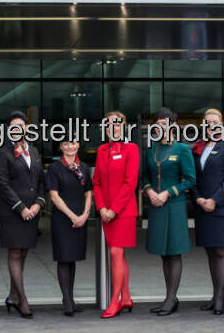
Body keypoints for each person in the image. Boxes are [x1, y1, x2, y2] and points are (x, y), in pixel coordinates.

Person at [141, 107, 196, 316]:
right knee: (163, 253)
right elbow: (144, 177)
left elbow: (190, 179)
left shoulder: (182, 149)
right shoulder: (151, 149)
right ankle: (169, 297)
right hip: (156, 206)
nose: (161, 126)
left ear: (173, 126)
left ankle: (171, 298)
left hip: (173, 205)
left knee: (174, 252)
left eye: (165, 123)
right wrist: (149, 191)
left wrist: (167, 193)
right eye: (158, 123)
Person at [0, 111, 45, 318]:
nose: (18, 129)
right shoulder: (2, 152)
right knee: (15, 253)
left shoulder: (33, 151)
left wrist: (38, 205)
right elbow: (3, 184)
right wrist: (21, 207)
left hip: (32, 211)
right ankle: (22, 300)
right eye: (14, 126)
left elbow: (40, 181)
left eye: (21, 126)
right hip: (13, 212)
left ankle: (13, 296)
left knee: (23, 252)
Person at [191, 108, 224, 315]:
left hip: (221, 208)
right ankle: (214, 296)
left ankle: (221, 298)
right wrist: (199, 198)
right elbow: (192, 176)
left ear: (221, 124)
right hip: (202, 207)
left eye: (214, 122)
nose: (211, 125)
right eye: (207, 121)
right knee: (210, 251)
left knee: (221, 251)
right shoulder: (198, 147)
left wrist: (214, 200)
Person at [94, 111, 139, 319]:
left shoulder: (131, 149)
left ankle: (115, 302)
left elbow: (130, 182)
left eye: (117, 124)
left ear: (124, 127)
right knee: (119, 255)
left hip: (124, 212)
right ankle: (127, 296)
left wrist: (114, 209)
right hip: (106, 212)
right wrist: (102, 207)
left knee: (115, 254)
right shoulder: (102, 150)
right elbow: (97, 182)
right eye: (109, 124)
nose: (113, 127)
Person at [46, 137, 93, 317]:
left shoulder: (84, 168)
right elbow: (54, 196)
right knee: (63, 258)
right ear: (61, 147)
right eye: (66, 144)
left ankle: (70, 299)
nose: (70, 147)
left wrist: (85, 214)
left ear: (78, 145)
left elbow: (89, 192)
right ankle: (67, 300)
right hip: (63, 218)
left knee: (72, 258)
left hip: (81, 217)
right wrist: (73, 216)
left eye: (73, 143)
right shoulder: (55, 168)